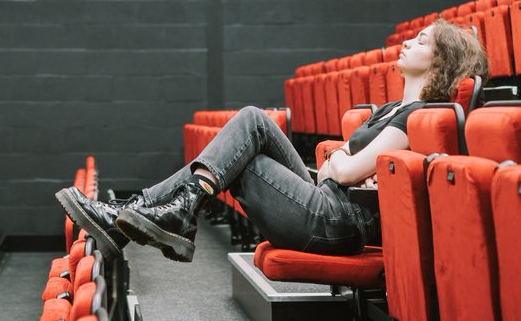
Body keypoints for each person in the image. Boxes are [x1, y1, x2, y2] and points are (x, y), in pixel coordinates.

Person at [56, 19, 489, 263]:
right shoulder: (388, 109)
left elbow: (350, 166)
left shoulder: (420, 116)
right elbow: (346, 166)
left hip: (337, 223)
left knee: (242, 148)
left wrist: (344, 162)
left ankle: (143, 211)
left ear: (441, 61)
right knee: (253, 122)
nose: (408, 43)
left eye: (421, 41)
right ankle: (158, 212)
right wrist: (343, 163)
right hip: (327, 199)